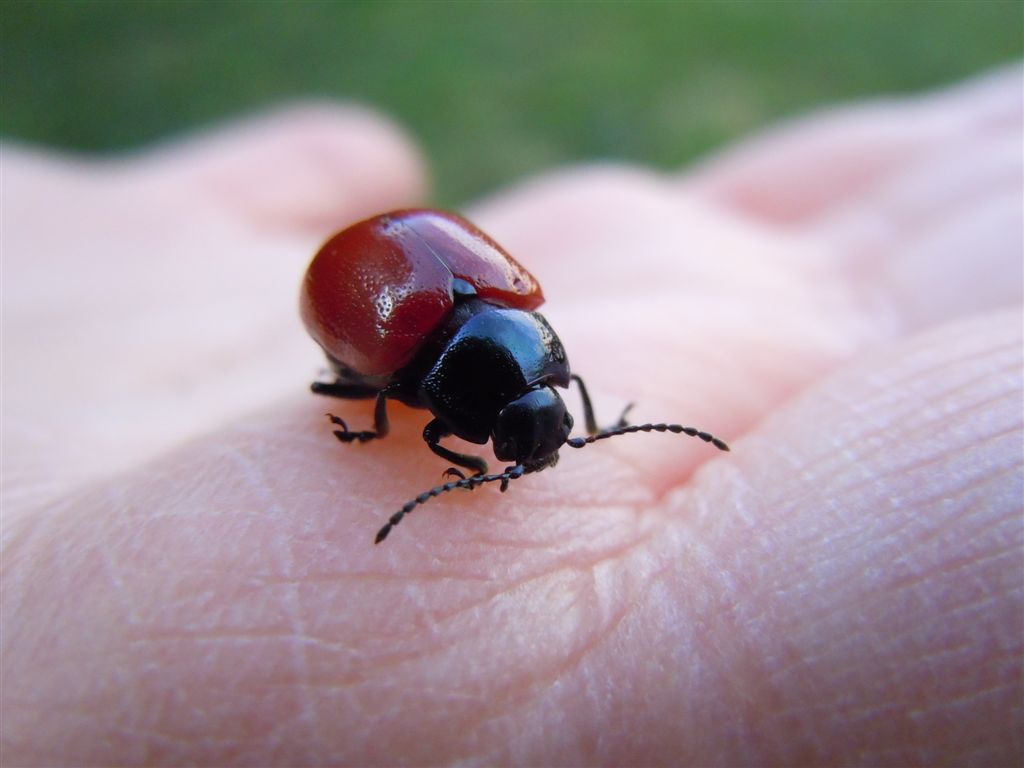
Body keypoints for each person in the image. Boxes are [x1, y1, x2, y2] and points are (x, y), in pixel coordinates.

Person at [3, 66, 1021, 765]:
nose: (526, 444)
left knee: (385, 403)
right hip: (377, 299)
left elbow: (495, 406)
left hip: (430, 306)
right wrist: (397, 437)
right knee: (351, 398)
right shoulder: (438, 368)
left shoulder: (520, 342)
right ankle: (365, 423)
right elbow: (443, 424)